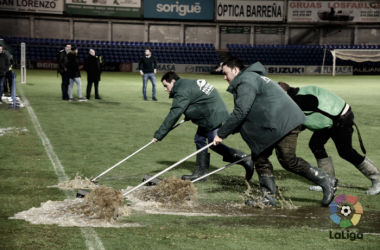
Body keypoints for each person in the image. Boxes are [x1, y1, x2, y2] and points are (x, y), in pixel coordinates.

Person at [213, 57, 338, 207]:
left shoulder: (246, 80)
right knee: (260, 157)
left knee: (288, 160)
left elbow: (241, 111)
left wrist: (221, 134)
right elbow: (253, 108)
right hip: (276, 122)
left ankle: (327, 180)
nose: (224, 77)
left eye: (225, 73)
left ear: (235, 70)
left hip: (284, 122)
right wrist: (235, 128)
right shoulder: (250, 78)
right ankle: (268, 198)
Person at [278, 82, 380, 195]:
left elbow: (297, 124)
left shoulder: (298, 101)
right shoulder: (298, 93)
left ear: (285, 92)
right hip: (332, 118)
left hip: (341, 119)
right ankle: (328, 180)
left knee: (346, 152)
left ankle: (377, 179)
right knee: (315, 144)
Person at [152, 72, 254, 182]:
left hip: (212, 114)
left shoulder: (181, 90)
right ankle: (201, 173)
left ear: (173, 81)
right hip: (212, 111)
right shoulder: (186, 83)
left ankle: (245, 159)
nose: (165, 89)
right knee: (199, 139)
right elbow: (197, 99)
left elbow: (174, 114)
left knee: (214, 144)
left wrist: (159, 135)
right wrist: (189, 114)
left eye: (166, 86)